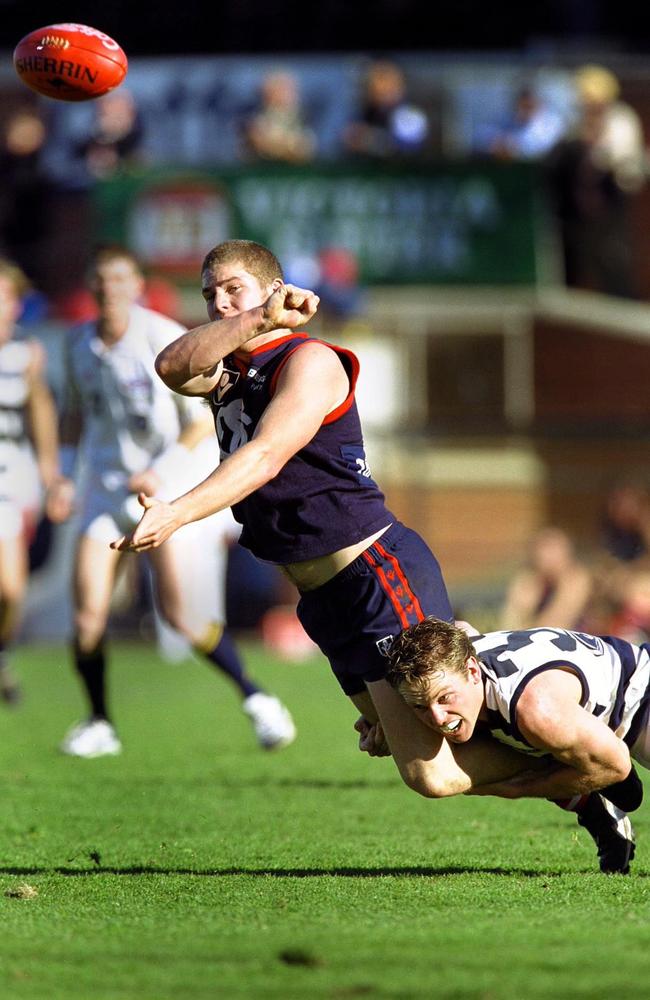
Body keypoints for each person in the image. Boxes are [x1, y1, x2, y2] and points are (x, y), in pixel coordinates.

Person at [110, 238, 457, 754]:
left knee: (438, 757)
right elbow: (171, 366)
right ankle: (583, 784)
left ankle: (554, 702)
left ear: (275, 290)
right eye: (210, 296)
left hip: (376, 572)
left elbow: (265, 456)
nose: (220, 304)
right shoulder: (225, 374)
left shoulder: (308, 359)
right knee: (413, 754)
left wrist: (176, 513)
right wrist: (252, 319)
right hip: (322, 598)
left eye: (234, 290)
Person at [46, 245, 296, 758]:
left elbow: (200, 419)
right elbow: (75, 414)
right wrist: (68, 475)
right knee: (88, 618)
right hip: (104, 491)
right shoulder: (77, 346)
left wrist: (159, 473)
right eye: (99, 279)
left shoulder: (160, 337)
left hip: (161, 490)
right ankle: (99, 721)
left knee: (180, 615)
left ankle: (256, 697)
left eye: (118, 279)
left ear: (136, 285)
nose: (108, 289)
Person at [384, 617, 647, 874]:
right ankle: (594, 808)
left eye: (445, 698)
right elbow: (462, 628)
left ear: (473, 671)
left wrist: (514, 789)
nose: (438, 718)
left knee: (622, 789)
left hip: (638, 692)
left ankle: (593, 804)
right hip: (581, 713)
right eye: (420, 706)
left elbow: (618, 768)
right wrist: (378, 723)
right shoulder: (460, 661)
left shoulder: (536, 711)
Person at [0, 258, 59, 703]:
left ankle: (2, 655)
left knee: (10, 589)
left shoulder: (27, 351)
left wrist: (49, 471)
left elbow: (39, 409)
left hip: (10, 474)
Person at [545, 64, 646, 298]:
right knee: (572, 259)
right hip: (574, 207)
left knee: (613, 258)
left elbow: (618, 161)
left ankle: (621, 309)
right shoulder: (572, 122)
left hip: (610, 201)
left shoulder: (621, 120)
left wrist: (595, 148)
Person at [498, 526, 594, 631]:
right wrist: (525, 609)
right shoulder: (529, 580)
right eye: (544, 548)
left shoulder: (577, 579)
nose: (548, 556)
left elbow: (554, 628)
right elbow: (508, 626)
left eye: (554, 548)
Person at [342, 60, 429, 159]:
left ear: (400, 84)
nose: (378, 85)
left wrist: (371, 140)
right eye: (371, 78)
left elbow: (409, 149)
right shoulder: (363, 112)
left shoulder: (411, 113)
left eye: (383, 77)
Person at [240, 70, 316, 164]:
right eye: (283, 89)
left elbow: (304, 150)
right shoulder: (253, 119)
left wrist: (277, 146)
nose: (290, 94)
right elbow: (253, 146)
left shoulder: (302, 119)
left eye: (291, 89)